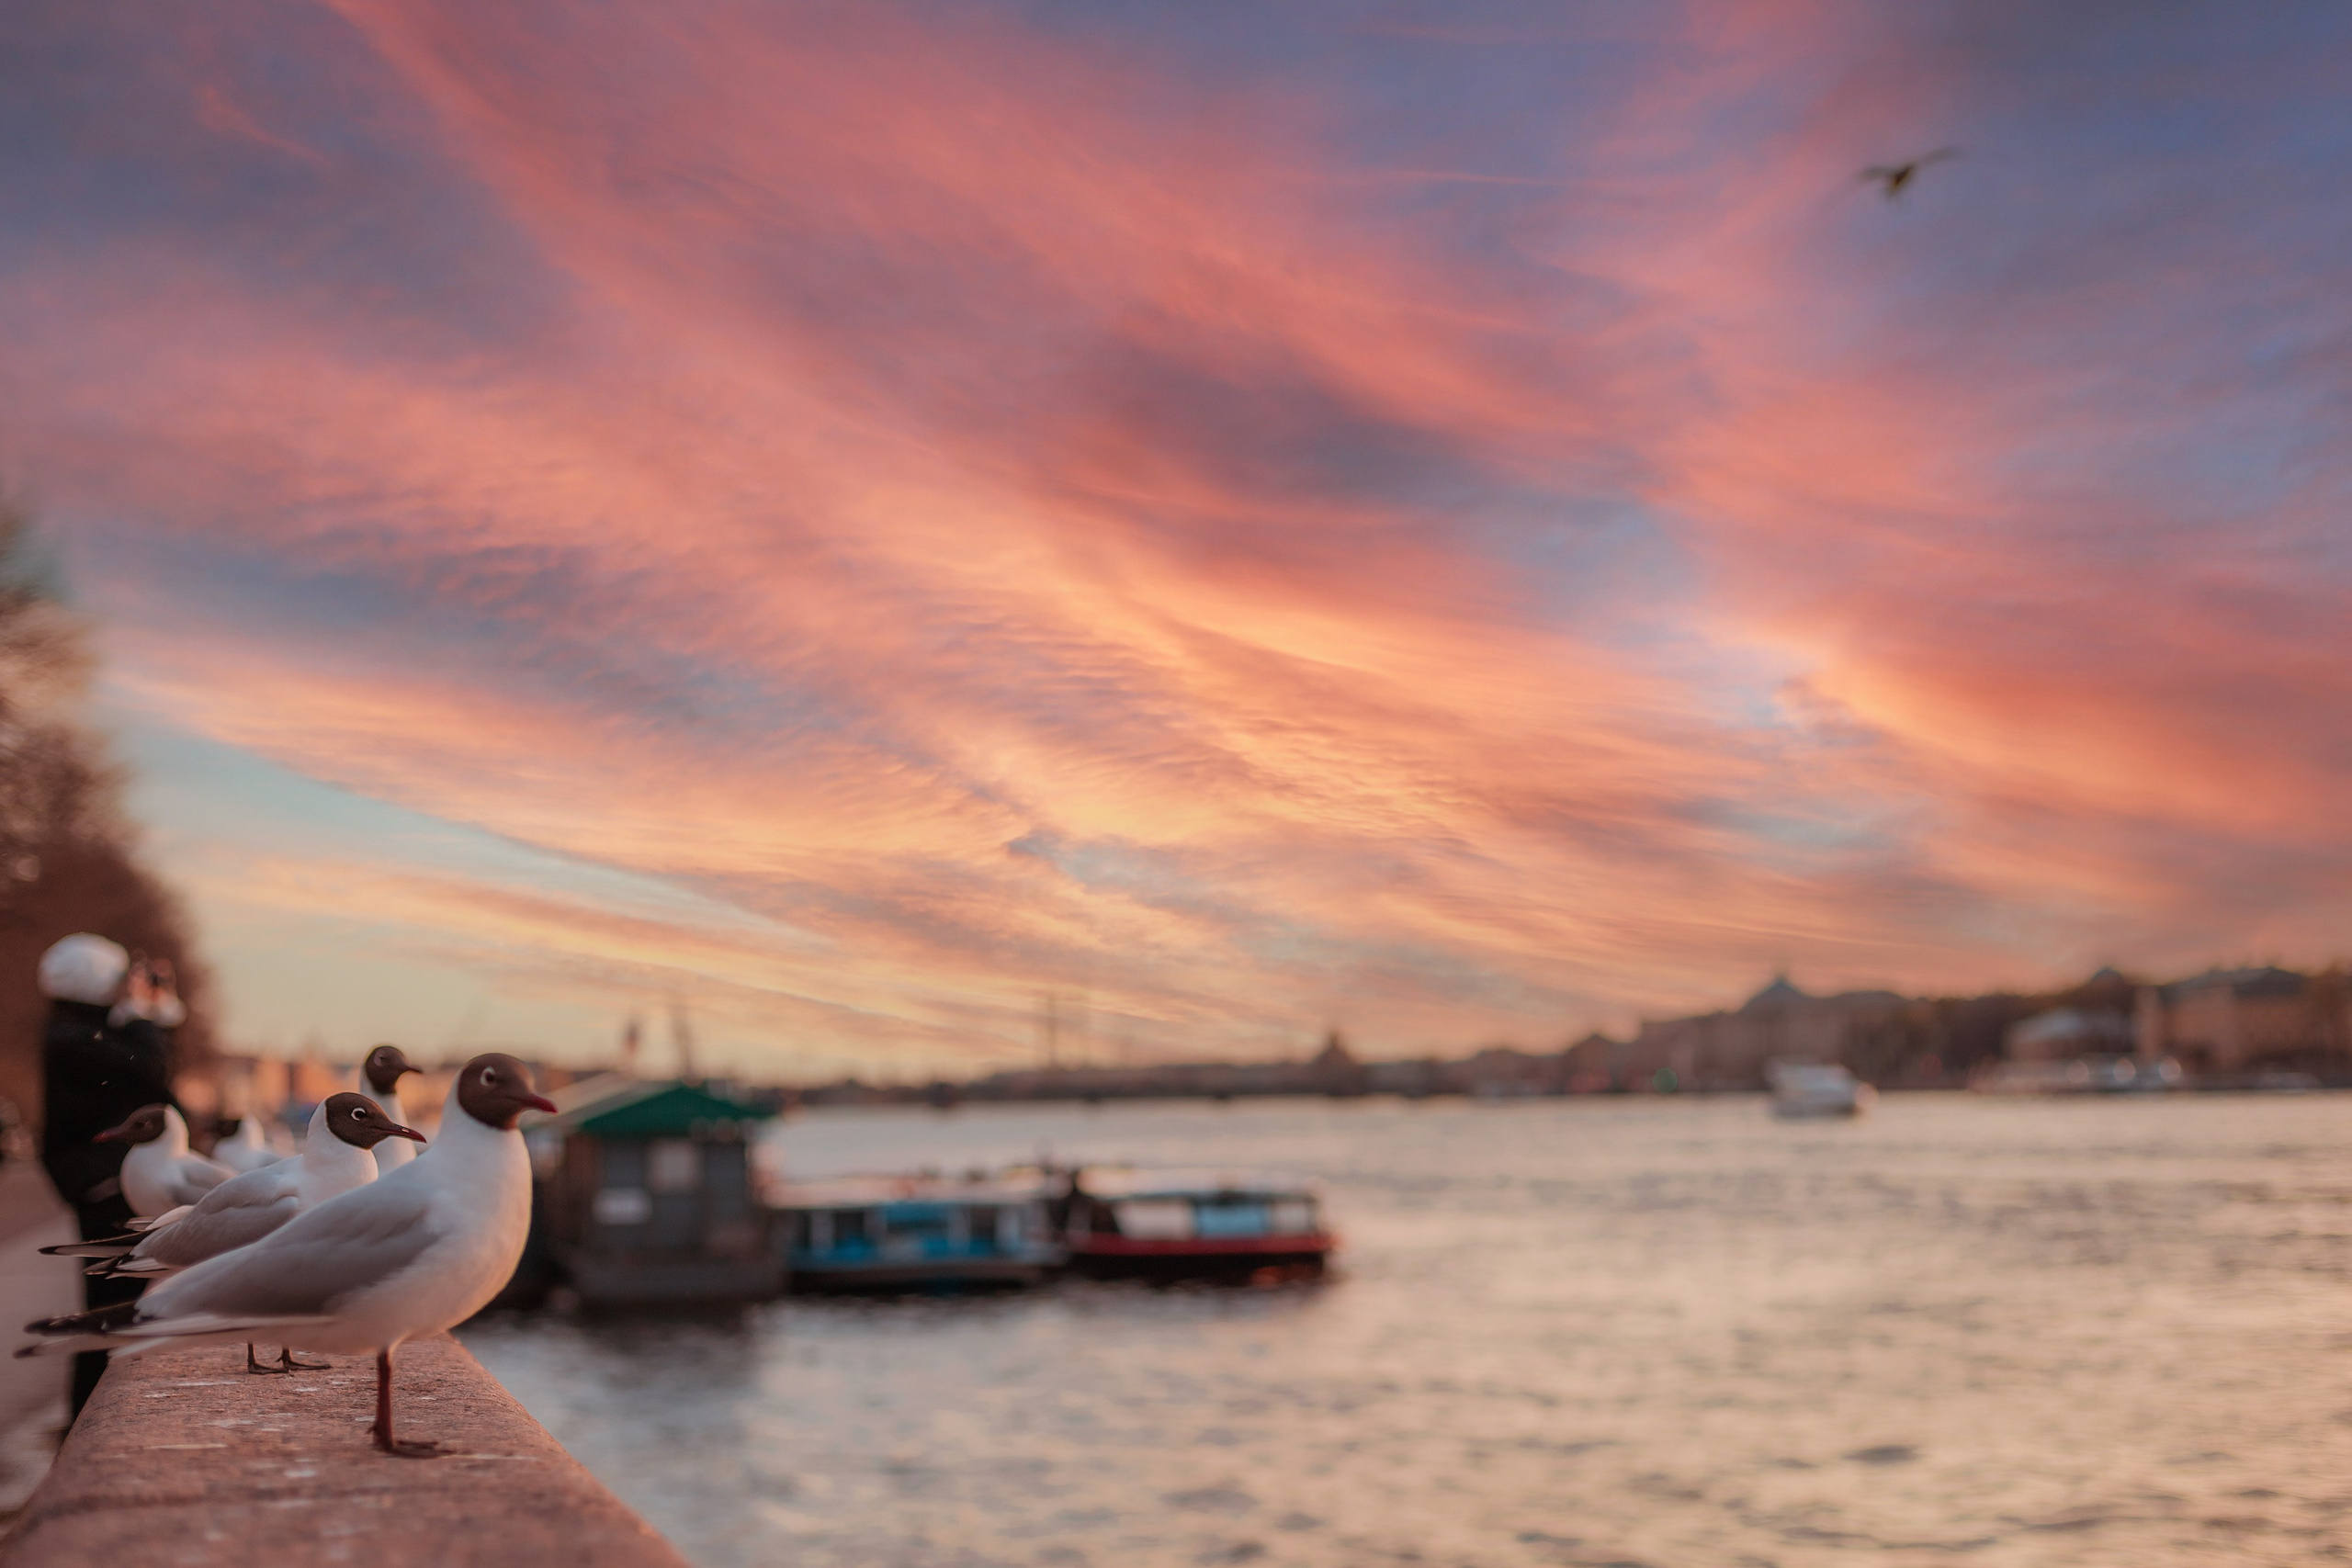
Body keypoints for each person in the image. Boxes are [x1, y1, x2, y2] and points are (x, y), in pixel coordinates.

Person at [36, 933, 185, 1417]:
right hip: (104, 1189)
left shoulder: (80, 1031)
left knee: (108, 1305)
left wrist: (154, 1013)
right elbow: (151, 1067)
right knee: (107, 1309)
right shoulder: (73, 1038)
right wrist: (144, 1013)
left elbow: (153, 1070)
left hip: (105, 1184)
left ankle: (83, 1414)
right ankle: (85, 1416)